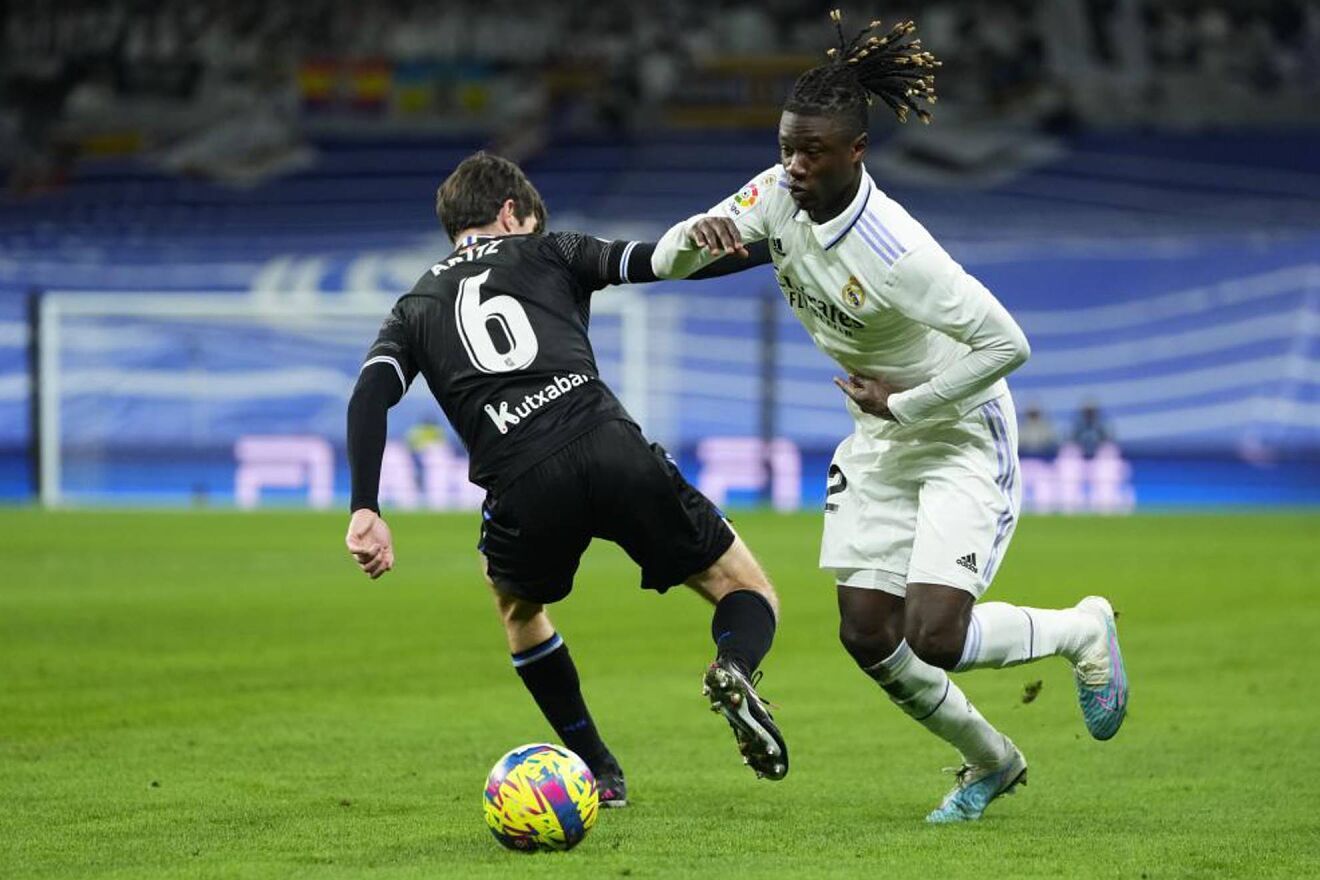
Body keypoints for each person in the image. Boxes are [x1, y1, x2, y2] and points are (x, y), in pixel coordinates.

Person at [651, 11, 1127, 823]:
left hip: (956, 431)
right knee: (867, 632)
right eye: (785, 148)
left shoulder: (899, 252)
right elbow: (666, 260)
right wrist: (700, 238)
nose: (793, 167)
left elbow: (1008, 344)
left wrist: (904, 402)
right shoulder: (774, 196)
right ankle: (992, 761)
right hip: (881, 436)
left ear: (857, 152)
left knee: (935, 633)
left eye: (812, 153)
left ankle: (1084, 630)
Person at [343, 152, 786, 809]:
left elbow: (368, 398)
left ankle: (598, 771)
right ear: (510, 214)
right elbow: (664, 259)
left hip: (521, 480)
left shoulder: (412, 309)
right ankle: (733, 670)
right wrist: (777, 247)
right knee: (743, 587)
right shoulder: (549, 249)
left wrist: (365, 507)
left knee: (519, 609)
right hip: (605, 441)